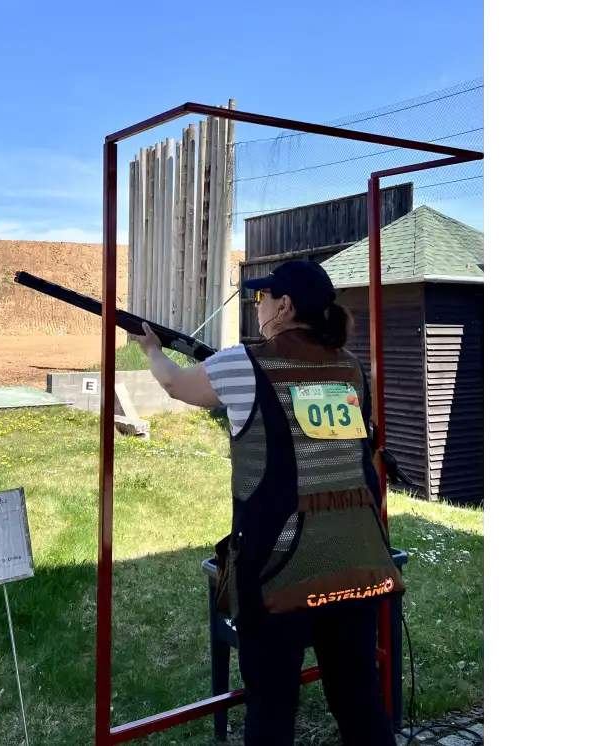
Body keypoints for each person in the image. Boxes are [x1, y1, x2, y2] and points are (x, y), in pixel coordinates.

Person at [129, 259, 402, 746]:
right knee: (359, 697)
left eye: (262, 298)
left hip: (278, 568)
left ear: (285, 305)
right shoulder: (351, 367)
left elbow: (175, 384)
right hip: (355, 557)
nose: (258, 306)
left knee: (272, 709)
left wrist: (152, 350)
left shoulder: (245, 364)